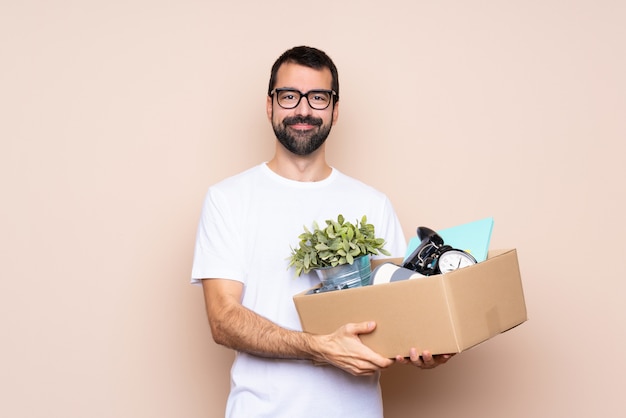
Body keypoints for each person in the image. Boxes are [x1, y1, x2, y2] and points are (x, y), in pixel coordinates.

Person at [191, 46, 452, 418]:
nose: (302, 110)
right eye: (288, 96)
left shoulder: (372, 204)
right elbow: (223, 319)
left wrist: (425, 348)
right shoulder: (227, 199)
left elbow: (397, 310)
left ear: (334, 109)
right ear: (270, 105)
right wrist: (319, 347)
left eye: (317, 97)